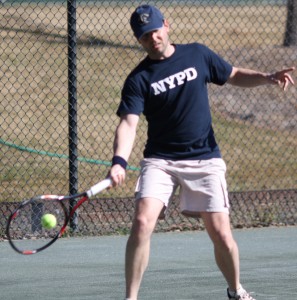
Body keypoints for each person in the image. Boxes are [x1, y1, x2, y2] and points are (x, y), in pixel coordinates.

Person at [107, 4, 295, 300]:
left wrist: (267, 77)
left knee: (221, 234)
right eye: (145, 36)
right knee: (142, 222)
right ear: (139, 40)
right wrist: (119, 162)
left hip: (205, 157)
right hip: (161, 161)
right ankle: (130, 298)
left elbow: (232, 74)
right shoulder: (138, 79)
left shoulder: (197, 53)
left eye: (155, 31)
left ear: (166, 25)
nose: (152, 39)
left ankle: (236, 291)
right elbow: (128, 124)